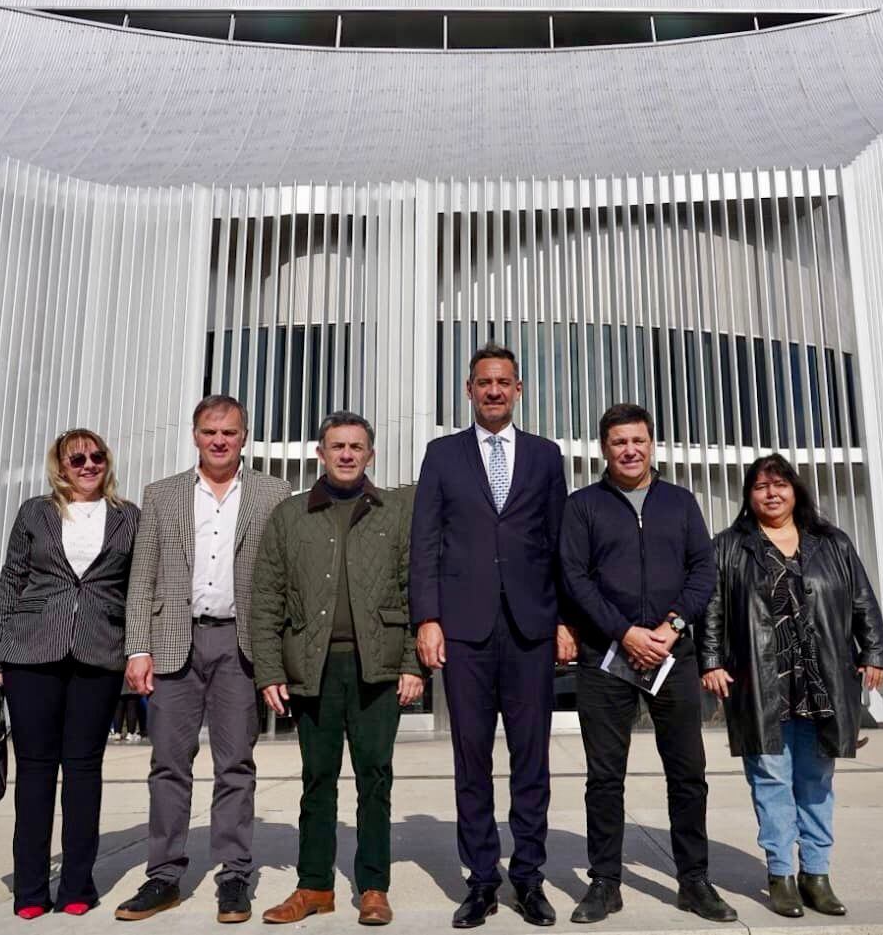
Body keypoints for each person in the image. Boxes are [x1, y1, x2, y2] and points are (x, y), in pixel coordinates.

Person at [410, 343, 574, 929]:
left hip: (531, 629)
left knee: (532, 761)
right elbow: (424, 542)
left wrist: (563, 622)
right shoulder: (442, 456)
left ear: (520, 388)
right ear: (470, 389)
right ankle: (481, 879)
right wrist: (427, 618)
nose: (495, 391)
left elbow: (560, 547)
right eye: (485, 382)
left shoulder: (546, 456)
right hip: (465, 632)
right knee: (471, 759)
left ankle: (528, 877)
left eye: (505, 382)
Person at [114, 396, 291, 923]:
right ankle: (163, 876)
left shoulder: (272, 492)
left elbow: (279, 578)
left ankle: (234, 875)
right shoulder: (162, 494)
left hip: (240, 646)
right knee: (168, 765)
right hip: (174, 645)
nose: (219, 441)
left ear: (244, 437)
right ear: (195, 435)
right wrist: (137, 648)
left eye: (230, 433)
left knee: (236, 765)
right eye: (210, 431)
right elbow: (141, 577)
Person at [558, 404, 737, 924]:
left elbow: (703, 570)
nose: (629, 450)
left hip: (672, 655)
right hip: (604, 657)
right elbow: (574, 578)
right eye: (618, 442)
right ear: (603, 449)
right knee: (604, 777)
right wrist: (625, 632)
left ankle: (694, 880)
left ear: (653, 444)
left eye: (637, 440)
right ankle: (605, 882)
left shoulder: (680, 503)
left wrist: (672, 626)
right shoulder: (583, 506)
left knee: (687, 773)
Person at [251, 411, 426, 927]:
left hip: (379, 668)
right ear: (320, 454)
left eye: (356, 446)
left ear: (370, 455)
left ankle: (373, 886)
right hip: (313, 667)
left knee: (375, 778)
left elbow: (416, 590)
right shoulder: (290, 515)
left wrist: (413, 662)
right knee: (316, 779)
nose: (347, 454)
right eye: (337, 446)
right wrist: (269, 671)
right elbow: (266, 598)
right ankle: (314, 886)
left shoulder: (394, 512)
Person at [699, 454, 883, 919]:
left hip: (822, 681)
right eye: (761, 487)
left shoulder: (832, 542)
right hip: (761, 681)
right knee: (770, 778)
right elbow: (711, 609)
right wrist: (710, 661)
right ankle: (781, 873)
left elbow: (862, 600)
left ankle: (817, 874)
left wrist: (875, 653)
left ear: (796, 490)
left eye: (780, 485)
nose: (771, 493)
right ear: (749, 496)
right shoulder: (728, 545)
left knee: (817, 780)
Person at [0, 428, 141, 920]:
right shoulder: (35, 512)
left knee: (84, 770)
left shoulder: (128, 517)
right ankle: (30, 890)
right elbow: (12, 579)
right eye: (78, 459)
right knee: (35, 772)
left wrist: (138, 650)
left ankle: (78, 885)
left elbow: (137, 588)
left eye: (96, 457)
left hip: (99, 653)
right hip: (31, 653)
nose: (88, 465)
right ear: (61, 465)